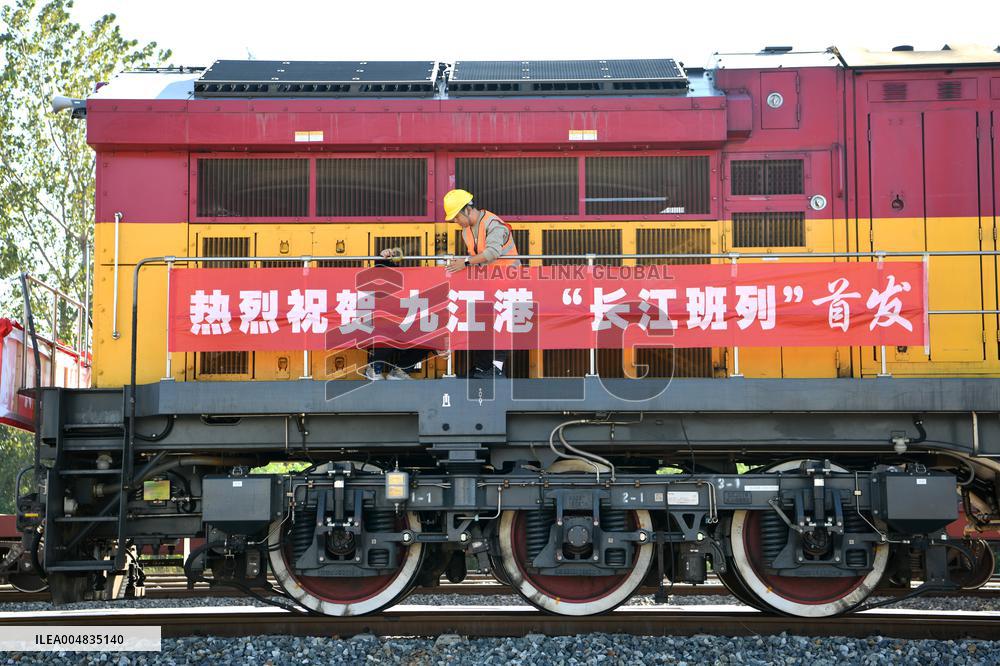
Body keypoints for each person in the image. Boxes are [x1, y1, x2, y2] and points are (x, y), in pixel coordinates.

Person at [442, 189, 520, 378]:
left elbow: (492, 253)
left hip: (508, 281)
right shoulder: (466, 231)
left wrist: (465, 263)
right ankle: (482, 368)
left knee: (500, 324)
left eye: (456, 217)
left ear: (467, 210)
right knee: (481, 323)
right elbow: (477, 257)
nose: (455, 221)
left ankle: (497, 369)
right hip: (487, 284)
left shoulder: (494, 224)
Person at [364, 247, 434, 380]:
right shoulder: (392, 280)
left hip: (410, 321)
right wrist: (382, 257)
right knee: (393, 329)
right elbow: (381, 273)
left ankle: (400, 370)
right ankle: (373, 367)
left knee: (431, 335)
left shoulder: (424, 286)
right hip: (385, 323)